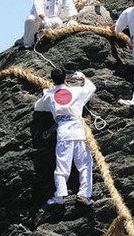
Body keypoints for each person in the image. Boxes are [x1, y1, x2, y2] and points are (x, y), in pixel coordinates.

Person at [33, 68, 96, 205]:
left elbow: (37, 106)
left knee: (62, 166)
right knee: (85, 164)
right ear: (66, 78)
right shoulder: (76, 91)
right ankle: (84, 195)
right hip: (78, 129)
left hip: (63, 130)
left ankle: (59, 197)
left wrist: (48, 93)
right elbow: (91, 88)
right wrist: (83, 78)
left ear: (52, 80)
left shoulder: (49, 95)